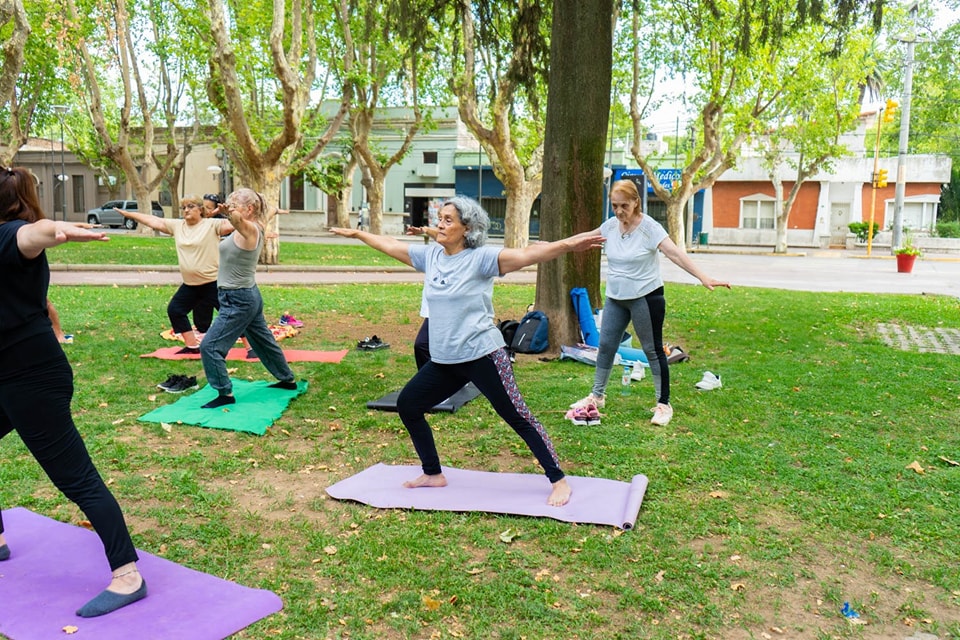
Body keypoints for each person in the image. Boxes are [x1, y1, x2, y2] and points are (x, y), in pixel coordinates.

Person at [331, 196, 606, 507]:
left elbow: (530, 254)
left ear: (468, 228)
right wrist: (358, 234)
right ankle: (433, 473)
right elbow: (391, 246)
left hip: (482, 355)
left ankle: (558, 480)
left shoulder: (482, 259)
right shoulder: (431, 256)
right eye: (440, 218)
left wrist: (570, 244)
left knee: (516, 415)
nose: (441, 224)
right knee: (409, 404)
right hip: (446, 359)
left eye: (449, 220)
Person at [0, 167, 147, 617]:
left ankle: (128, 575)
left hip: (32, 377)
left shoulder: (10, 234)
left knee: (75, 477)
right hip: (8, 372)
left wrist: (55, 229)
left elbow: (33, 234)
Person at [569, 179, 730, 426]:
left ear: (636, 202)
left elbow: (675, 253)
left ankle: (663, 405)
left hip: (646, 297)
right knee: (606, 346)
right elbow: (584, 239)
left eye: (624, 205)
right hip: (616, 297)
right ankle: (597, 396)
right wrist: (556, 245)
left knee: (652, 350)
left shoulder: (650, 228)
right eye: (614, 206)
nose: (619, 211)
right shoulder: (611, 226)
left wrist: (703, 277)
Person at [199, 188, 297, 408]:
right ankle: (287, 379)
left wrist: (228, 214)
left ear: (249, 209)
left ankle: (225, 393)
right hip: (246, 295)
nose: (231, 207)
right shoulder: (258, 223)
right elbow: (268, 209)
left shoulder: (250, 229)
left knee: (210, 346)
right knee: (262, 341)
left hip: (238, 299)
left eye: (235, 204)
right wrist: (276, 210)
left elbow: (238, 222)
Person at [117, 195, 234, 355]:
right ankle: (193, 347)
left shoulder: (212, 225)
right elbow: (154, 221)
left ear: (200, 209)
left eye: (190, 206)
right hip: (190, 285)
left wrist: (231, 213)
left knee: (232, 315)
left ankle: (251, 348)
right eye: (184, 207)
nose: (186, 210)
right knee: (175, 310)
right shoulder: (178, 226)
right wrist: (130, 215)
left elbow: (235, 225)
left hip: (212, 282)